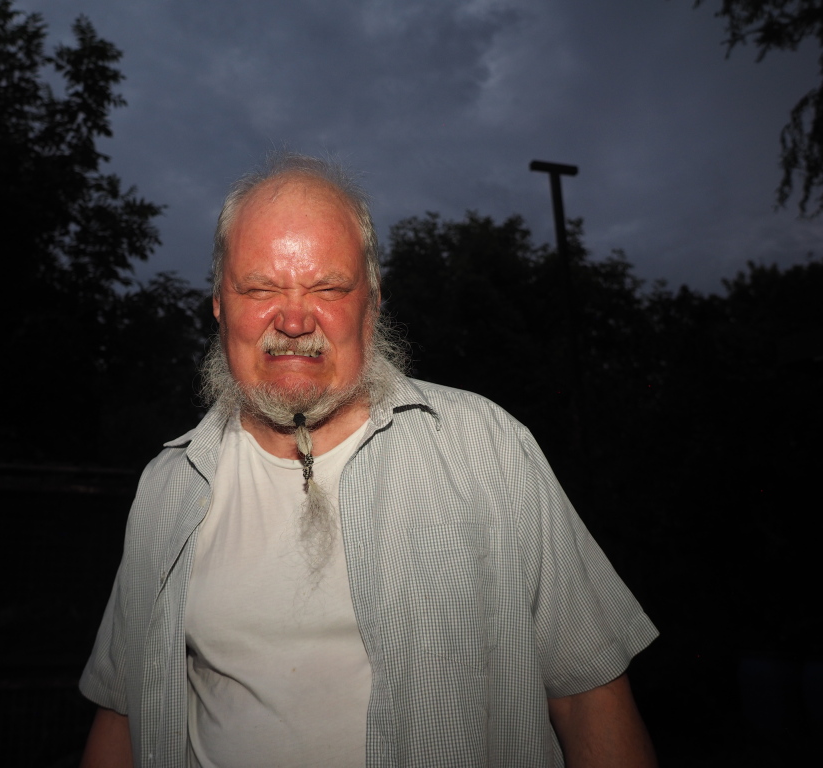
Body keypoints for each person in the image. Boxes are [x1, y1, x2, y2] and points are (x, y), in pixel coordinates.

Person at [78, 153, 659, 768]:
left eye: (328, 288)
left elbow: (590, 699)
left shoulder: (488, 449)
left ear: (372, 302)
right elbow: (122, 715)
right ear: (220, 304)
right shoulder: (168, 487)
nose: (294, 320)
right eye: (259, 288)